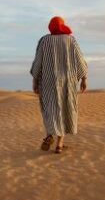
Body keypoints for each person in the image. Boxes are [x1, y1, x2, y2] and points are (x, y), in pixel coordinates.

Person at [30, 16, 88, 154]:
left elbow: (38, 62)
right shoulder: (71, 40)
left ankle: (50, 133)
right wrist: (84, 78)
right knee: (65, 109)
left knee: (50, 108)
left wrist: (35, 80)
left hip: (48, 81)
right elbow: (80, 60)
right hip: (67, 82)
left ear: (51, 26)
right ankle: (59, 145)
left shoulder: (44, 40)